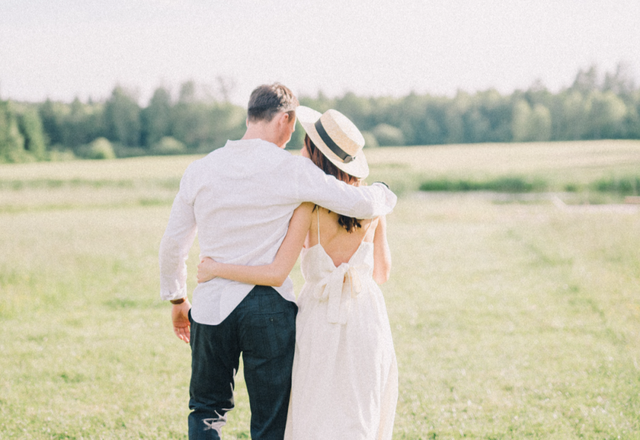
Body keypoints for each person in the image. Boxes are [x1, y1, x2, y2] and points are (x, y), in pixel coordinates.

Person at [158, 84, 397, 440]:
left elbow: (172, 245)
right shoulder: (293, 171)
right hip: (268, 310)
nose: (294, 137)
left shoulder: (199, 169)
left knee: (207, 408)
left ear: (250, 114)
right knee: (271, 419)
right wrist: (383, 191)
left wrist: (178, 300)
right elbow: (357, 203)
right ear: (285, 119)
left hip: (210, 306)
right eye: (294, 126)